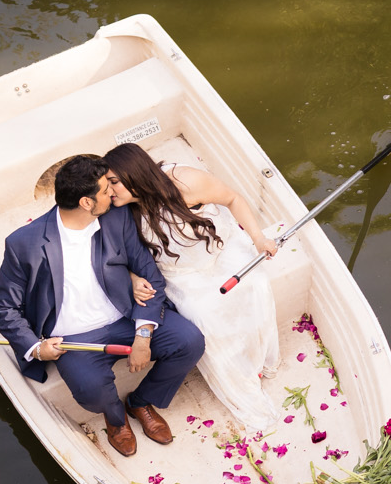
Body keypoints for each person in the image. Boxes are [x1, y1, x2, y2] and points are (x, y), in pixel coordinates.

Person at [0, 154, 205, 456]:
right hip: (72, 338)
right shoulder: (24, 243)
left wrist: (143, 334)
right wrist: (36, 348)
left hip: (125, 318)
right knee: (91, 391)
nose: (113, 193)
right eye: (105, 190)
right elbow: (2, 306)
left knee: (190, 341)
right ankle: (115, 420)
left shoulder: (116, 218)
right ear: (86, 203)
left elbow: (149, 274)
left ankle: (141, 402)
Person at [102, 141, 284, 441]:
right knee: (202, 314)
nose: (110, 191)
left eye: (114, 182)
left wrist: (258, 237)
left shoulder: (186, 181)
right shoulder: (122, 210)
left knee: (256, 283)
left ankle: (257, 355)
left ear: (133, 175)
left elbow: (232, 198)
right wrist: (134, 277)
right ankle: (233, 367)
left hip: (219, 251)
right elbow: (125, 253)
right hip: (180, 273)